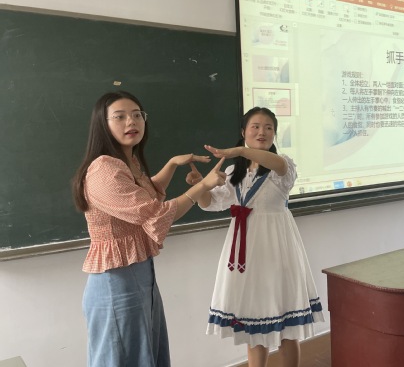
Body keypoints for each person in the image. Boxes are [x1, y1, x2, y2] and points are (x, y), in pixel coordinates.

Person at [71, 91, 226, 367]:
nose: (131, 121)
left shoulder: (125, 162)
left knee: (147, 354)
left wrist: (172, 164)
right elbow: (155, 213)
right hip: (116, 282)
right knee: (122, 359)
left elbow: (146, 194)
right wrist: (203, 186)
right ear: (103, 124)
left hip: (140, 276)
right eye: (120, 117)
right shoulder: (104, 169)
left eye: (137, 115)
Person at [193, 107, 324, 367]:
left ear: (274, 134)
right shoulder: (234, 171)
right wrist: (200, 186)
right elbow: (210, 203)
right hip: (245, 251)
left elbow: (278, 165)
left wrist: (241, 150)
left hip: (278, 249)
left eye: (268, 127)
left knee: (288, 330)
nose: (261, 132)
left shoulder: (281, 165)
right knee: (254, 326)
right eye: (255, 126)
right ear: (244, 131)